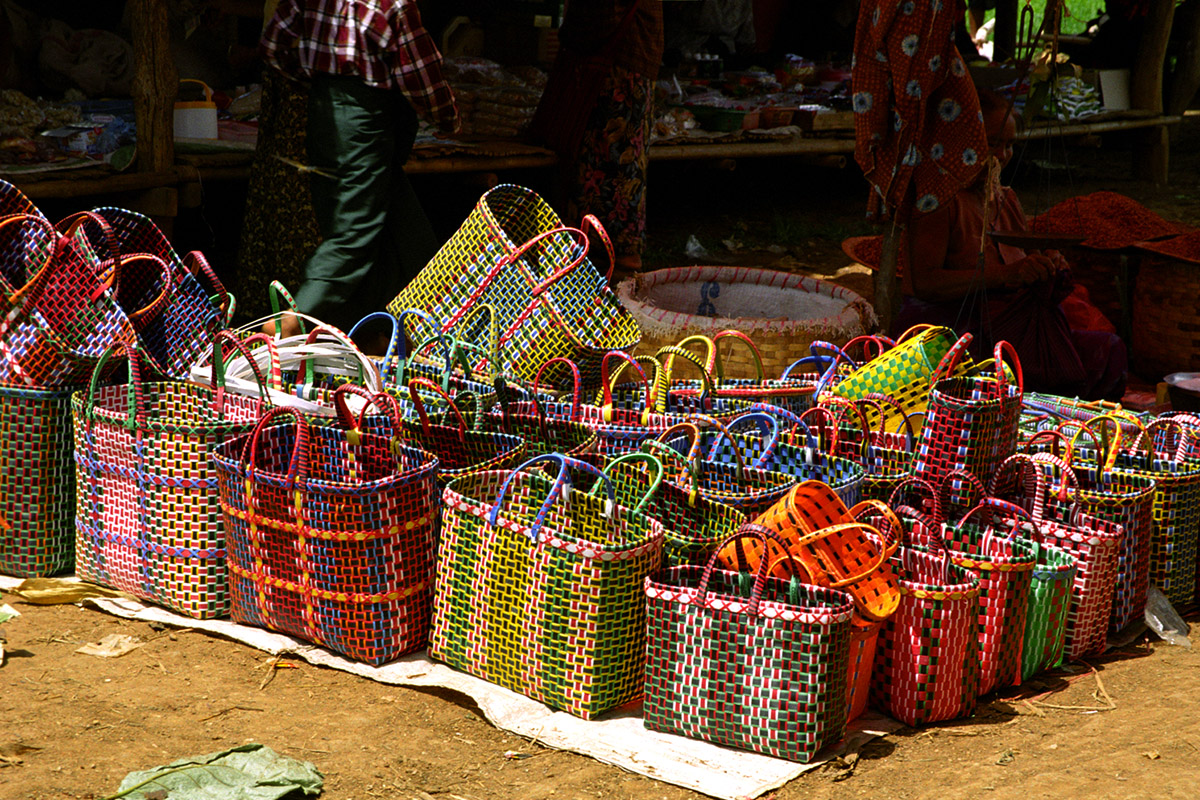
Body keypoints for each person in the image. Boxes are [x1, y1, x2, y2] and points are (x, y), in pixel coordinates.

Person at [897, 88, 1127, 400]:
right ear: (962, 141)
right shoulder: (938, 202)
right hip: (967, 333)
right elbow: (925, 282)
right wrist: (1006, 276)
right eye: (993, 143)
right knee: (1020, 369)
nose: (1002, 155)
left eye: (1009, 145)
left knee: (1108, 350)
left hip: (1016, 327)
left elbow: (1027, 262)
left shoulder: (1006, 200)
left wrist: (1048, 266)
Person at [259, 0, 459, 336]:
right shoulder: (392, 4)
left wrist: (315, 83)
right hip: (364, 120)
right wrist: (448, 117)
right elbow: (421, 76)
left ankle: (383, 336)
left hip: (323, 115)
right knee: (353, 235)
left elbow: (273, 45)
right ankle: (290, 321)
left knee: (397, 230)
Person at [530, 0, 663, 280]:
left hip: (615, 75)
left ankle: (608, 272)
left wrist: (569, 34)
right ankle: (606, 270)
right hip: (625, 70)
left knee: (608, 178)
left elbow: (602, 16)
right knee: (619, 177)